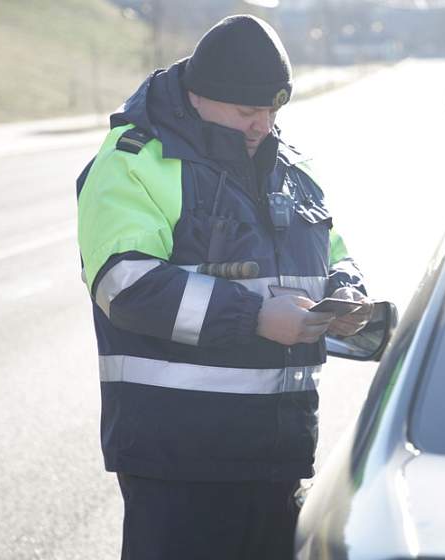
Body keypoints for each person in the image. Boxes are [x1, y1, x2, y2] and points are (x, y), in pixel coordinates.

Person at [75, 14, 371, 560]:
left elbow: (334, 252)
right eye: (247, 111)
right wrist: (255, 317)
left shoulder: (288, 166)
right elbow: (125, 283)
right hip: (179, 463)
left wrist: (347, 292)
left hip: (277, 453)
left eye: (273, 110)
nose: (263, 125)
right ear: (199, 96)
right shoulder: (134, 162)